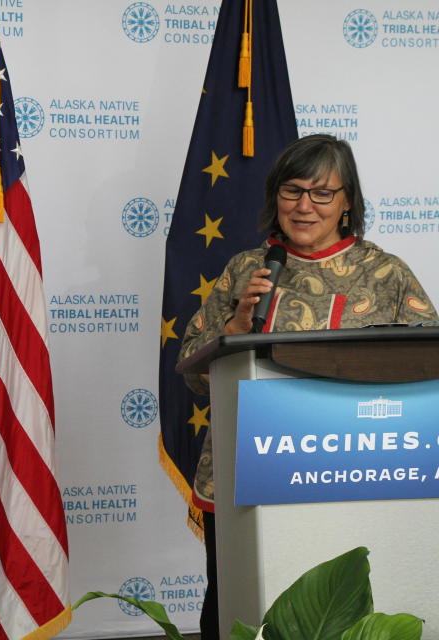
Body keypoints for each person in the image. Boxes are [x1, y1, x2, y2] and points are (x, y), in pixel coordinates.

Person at [177, 133, 438, 639]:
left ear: (347, 203)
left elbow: (427, 365)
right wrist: (235, 329)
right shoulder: (245, 270)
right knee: (233, 605)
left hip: (360, 469)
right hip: (247, 474)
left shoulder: (386, 273)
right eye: (292, 190)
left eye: (321, 193)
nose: (304, 206)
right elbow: (194, 380)